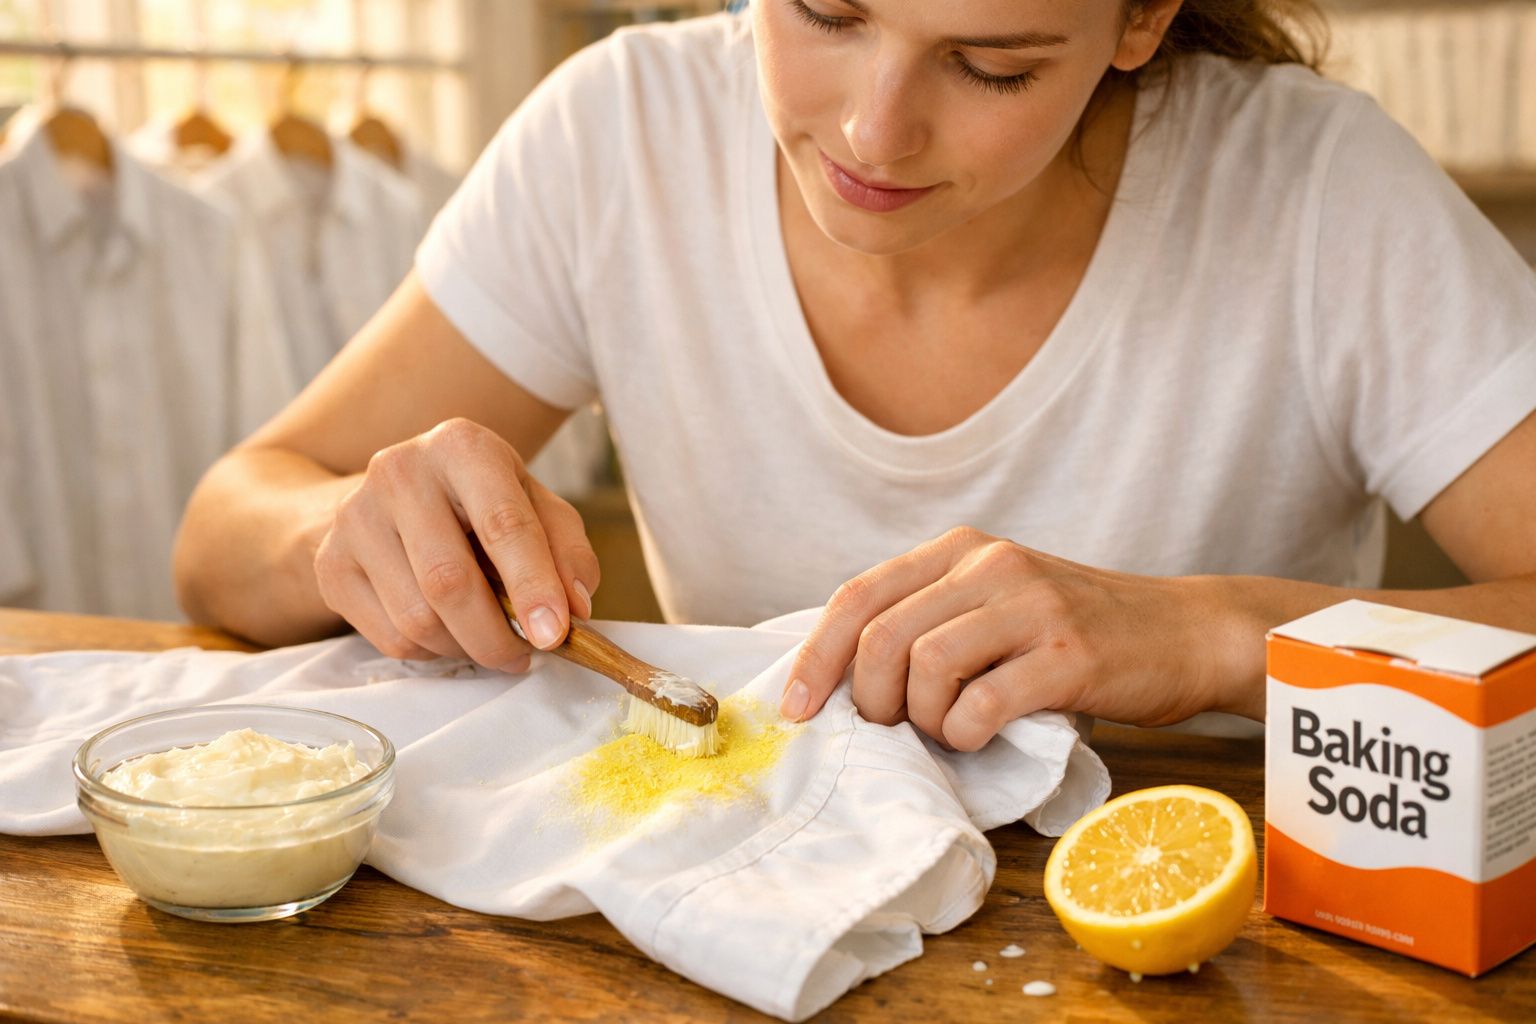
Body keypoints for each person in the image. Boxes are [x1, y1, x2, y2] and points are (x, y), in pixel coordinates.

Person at [174, 0, 1536, 750]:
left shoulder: (1313, 193)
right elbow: (226, 531)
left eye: (991, 66)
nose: (871, 130)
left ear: (1137, 21)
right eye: (825, 9)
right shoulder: (620, 136)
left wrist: (1218, 637)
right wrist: (345, 530)